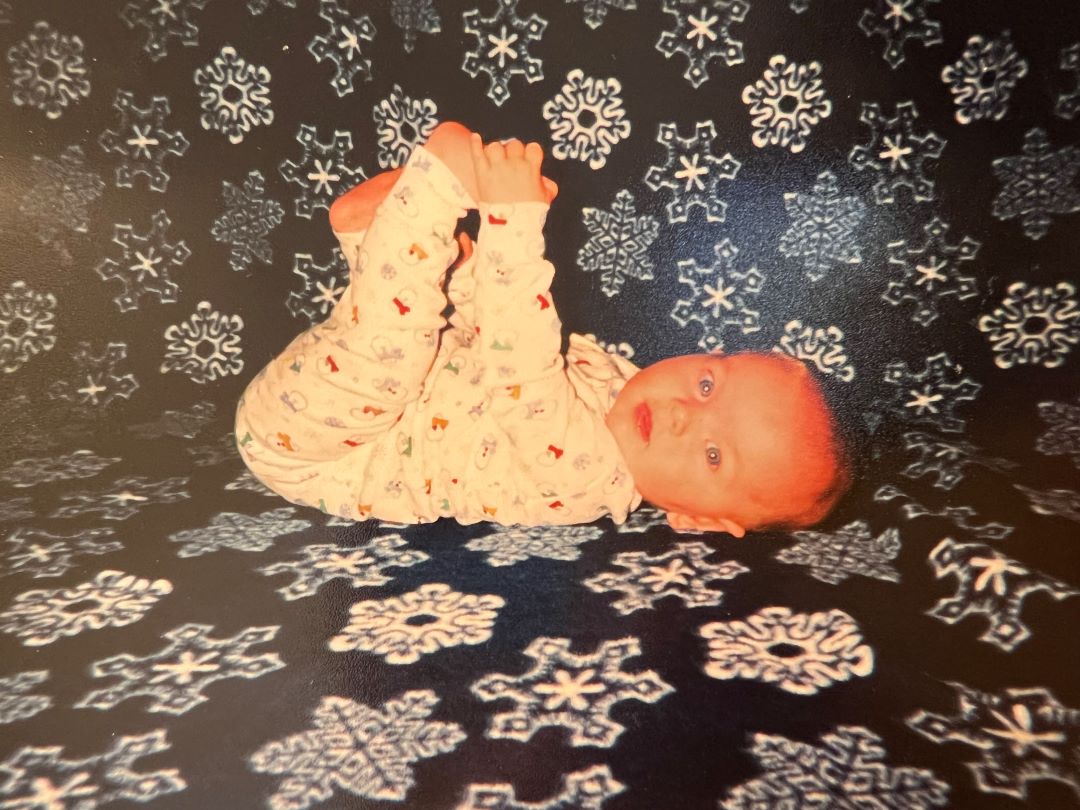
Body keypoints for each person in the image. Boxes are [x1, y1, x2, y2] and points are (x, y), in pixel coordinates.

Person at [234, 121, 851, 537]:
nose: (683, 415)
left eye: (713, 455)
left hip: (310, 447)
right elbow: (493, 339)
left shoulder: (591, 477)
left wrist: (513, 216)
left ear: (699, 520)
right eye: (708, 385)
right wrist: (473, 272)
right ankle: (382, 230)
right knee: (442, 323)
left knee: (390, 358)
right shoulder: (616, 385)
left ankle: (426, 196)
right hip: (356, 401)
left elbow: (521, 374)